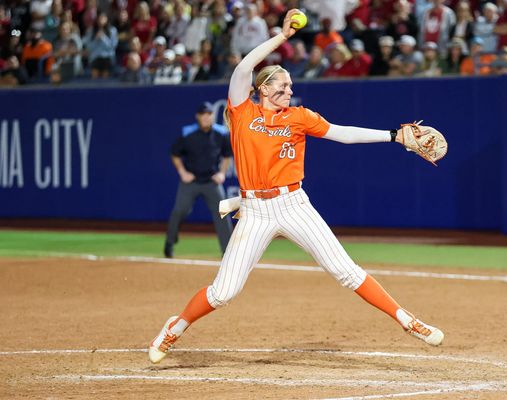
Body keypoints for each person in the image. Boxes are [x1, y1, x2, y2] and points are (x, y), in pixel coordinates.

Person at [149, 9, 445, 365]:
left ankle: (408, 321)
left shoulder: (298, 118)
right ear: (263, 89)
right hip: (256, 212)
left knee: (346, 271)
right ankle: (175, 328)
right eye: (282, 85)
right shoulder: (243, 112)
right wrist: (283, 37)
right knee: (223, 292)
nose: (290, 90)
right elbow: (244, 68)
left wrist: (394, 136)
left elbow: (343, 134)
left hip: (293, 205)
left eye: (290, 85)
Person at [164, 104, 234, 259]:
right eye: (203, 114)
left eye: (209, 114)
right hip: (191, 181)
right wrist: (182, 172)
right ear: (198, 116)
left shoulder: (221, 133)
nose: (206, 117)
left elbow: (227, 155)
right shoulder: (188, 133)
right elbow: (174, 153)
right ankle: (169, 243)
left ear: (212, 116)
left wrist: (222, 173)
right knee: (179, 211)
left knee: (222, 212)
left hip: (211, 181)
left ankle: (227, 252)